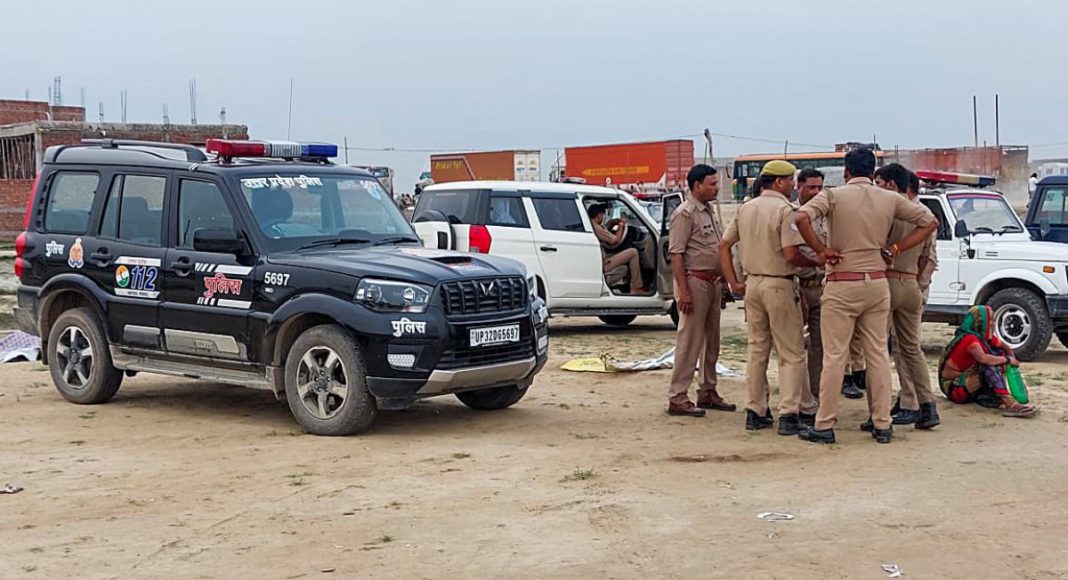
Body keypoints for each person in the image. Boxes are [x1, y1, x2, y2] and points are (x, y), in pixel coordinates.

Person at [795, 148, 939, 445]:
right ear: (873, 173)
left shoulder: (833, 196)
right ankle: (882, 422)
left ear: (846, 172)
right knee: (878, 354)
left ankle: (824, 423)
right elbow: (930, 222)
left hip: (842, 281)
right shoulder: (888, 198)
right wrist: (896, 249)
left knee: (835, 356)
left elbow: (801, 217)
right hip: (876, 282)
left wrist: (822, 250)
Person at [720, 160, 820, 434]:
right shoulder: (785, 210)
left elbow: (724, 245)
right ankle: (789, 413)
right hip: (779, 283)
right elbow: (790, 253)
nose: (792, 186)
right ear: (778, 182)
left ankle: (756, 410)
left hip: (752, 284)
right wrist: (814, 260)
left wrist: (733, 281)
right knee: (791, 352)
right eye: (790, 181)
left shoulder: (746, 208)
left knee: (757, 350)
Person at [870, 163, 940, 431]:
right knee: (912, 348)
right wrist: (918, 284)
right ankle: (927, 405)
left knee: (877, 349)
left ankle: (877, 412)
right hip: (910, 281)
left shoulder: (885, 208)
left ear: (890, 184)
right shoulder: (923, 213)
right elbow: (927, 258)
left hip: (885, 281)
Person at [665, 164, 736, 417]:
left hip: (713, 283)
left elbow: (716, 249)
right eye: (712, 184)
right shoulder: (685, 214)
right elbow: (676, 254)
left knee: (711, 342)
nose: (716, 188)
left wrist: (724, 282)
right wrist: (684, 292)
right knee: (690, 341)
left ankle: (707, 391)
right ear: (697, 186)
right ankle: (678, 396)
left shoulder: (708, 211)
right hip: (694, 282)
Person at [939, 305, 1038, 418]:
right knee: (987, 363)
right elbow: (983, 358)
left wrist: (1012, 364)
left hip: (969, 382)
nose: (992, 325)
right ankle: (1010, 403)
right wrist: (1007, 360)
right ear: (980, 323)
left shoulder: (983, 338)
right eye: (990, 322)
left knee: (999, 354)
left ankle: (1003, 397)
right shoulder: (970, 339)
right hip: (955, 388)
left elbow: (1006, 348)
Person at [588, 203, 644, 295]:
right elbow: (615, 240)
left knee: (624, 268)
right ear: (599, 216)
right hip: (604, 263)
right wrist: (621, 224)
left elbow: (605, 231)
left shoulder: (592, 225)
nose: (603, 217)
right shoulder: (597, 228)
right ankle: (636, 287)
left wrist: (612, 223)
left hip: (601, 258)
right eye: (603, 215)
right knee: (633, 252)